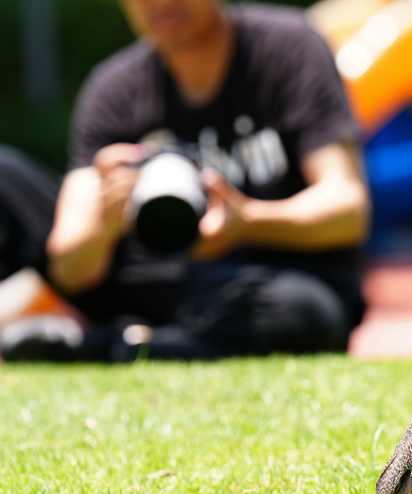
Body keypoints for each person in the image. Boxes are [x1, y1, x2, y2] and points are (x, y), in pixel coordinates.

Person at [0, 0, 370, 361]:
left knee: (299, 312)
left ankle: (109, 345)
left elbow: (347, 209)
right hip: (156, 276)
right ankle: (151, 339)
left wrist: (248, 221)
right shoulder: (113, 88)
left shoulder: (289, 47)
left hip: (269, 278)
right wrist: (106, 219)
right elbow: (70, 268)